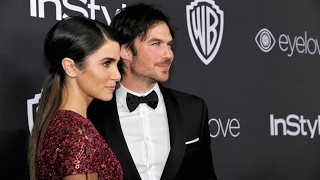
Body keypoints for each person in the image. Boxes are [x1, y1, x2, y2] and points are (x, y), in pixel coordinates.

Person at [87, 3, 217, 180]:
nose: (169, 54)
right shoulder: (91, 113)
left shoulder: (194, 109)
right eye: (156, 44)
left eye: (169, 45)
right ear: (125, 50)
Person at [28, 16, 123, 180]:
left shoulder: (59, 123)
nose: (117, 75)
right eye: (106, 63)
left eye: (117, 64)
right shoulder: (77, 133)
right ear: (70, 67)